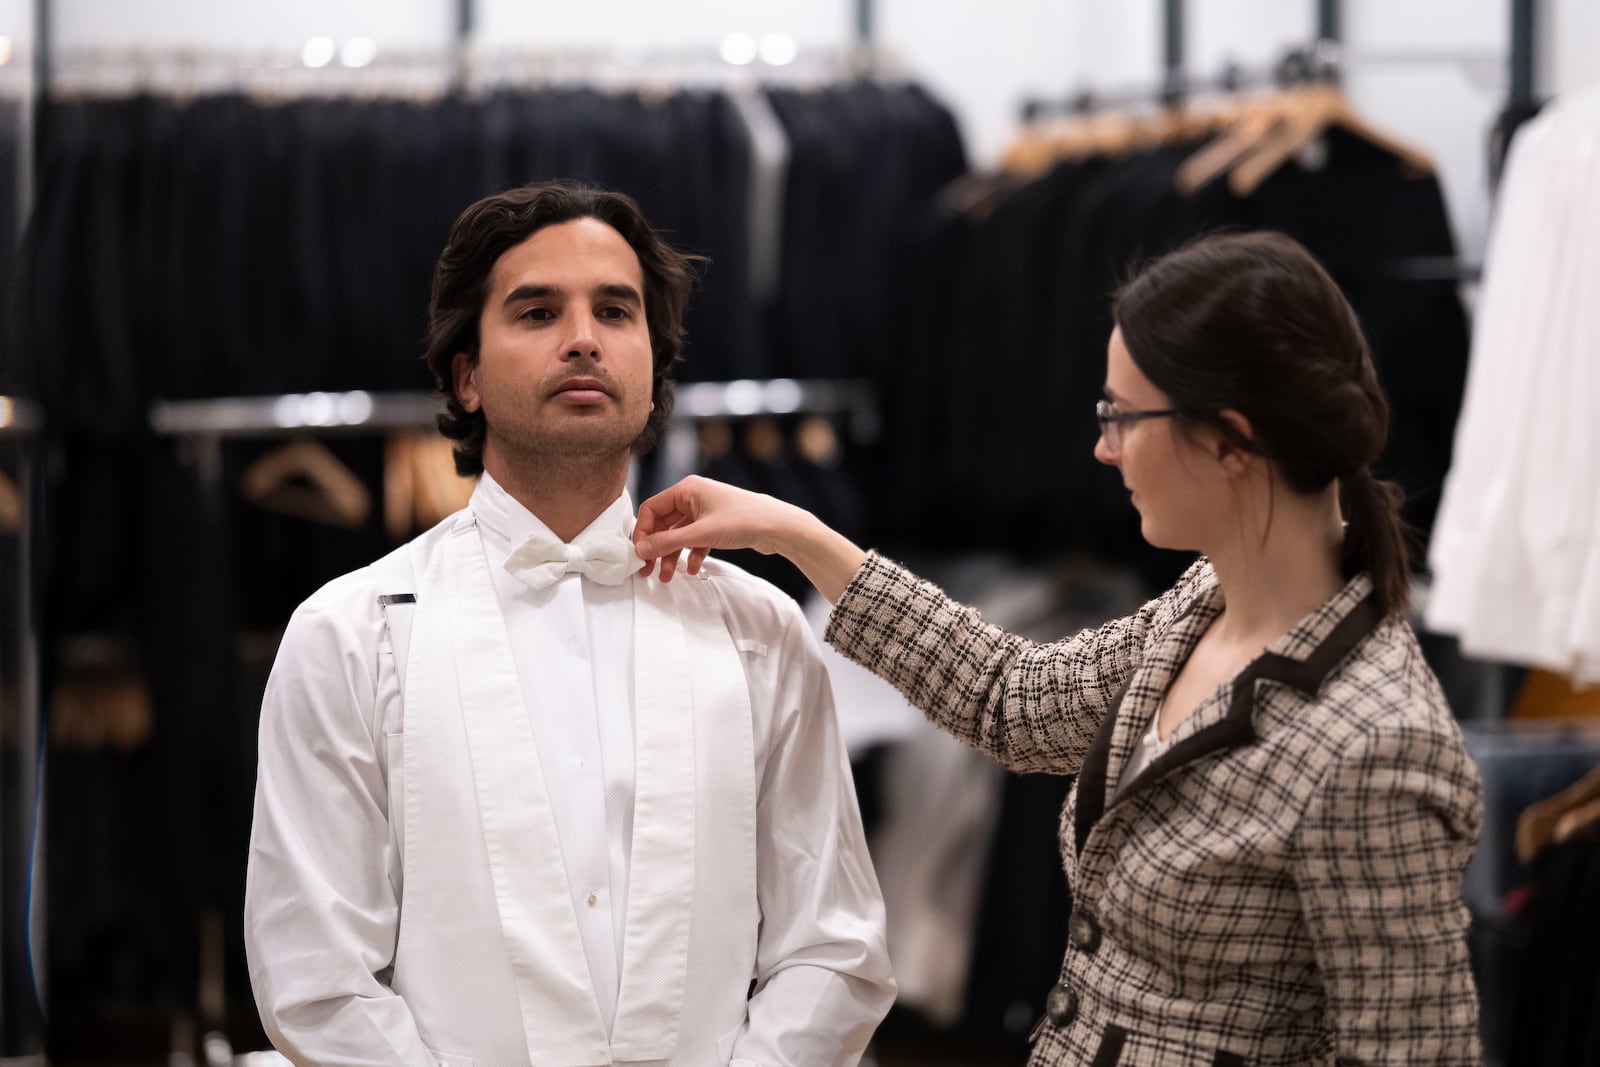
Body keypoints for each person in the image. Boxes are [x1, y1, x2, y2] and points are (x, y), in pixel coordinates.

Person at [633, 231, 1485, 1065]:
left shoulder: (1377, 742)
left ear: (1229, 438)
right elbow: (1014, 697)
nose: (1101, 447)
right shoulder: (1204, 602)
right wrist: (796, 533)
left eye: (1121, 414)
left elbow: (1416, 1049)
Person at [244, 180, 894, 1066]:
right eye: (538, 311)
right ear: (466, 375)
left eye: (615, 312)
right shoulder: (348, 636)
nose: (583, 337)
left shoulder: (762, 631)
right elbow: (317, 979)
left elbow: (834, 948)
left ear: (654, 368)